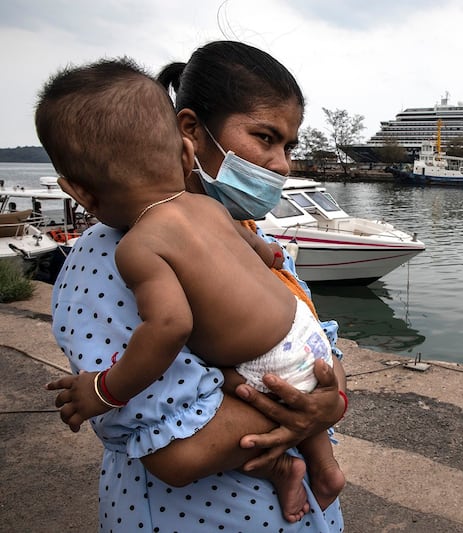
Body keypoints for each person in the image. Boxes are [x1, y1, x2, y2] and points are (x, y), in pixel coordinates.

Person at [42, 41, 346, 532]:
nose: (283, 164)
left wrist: (330, 402)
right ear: (188, 135)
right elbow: (178, 451)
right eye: (265, 138)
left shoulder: (242, 228)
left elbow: (319, 348)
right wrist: (315, 408)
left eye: (289, 146)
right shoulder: (110, 259)